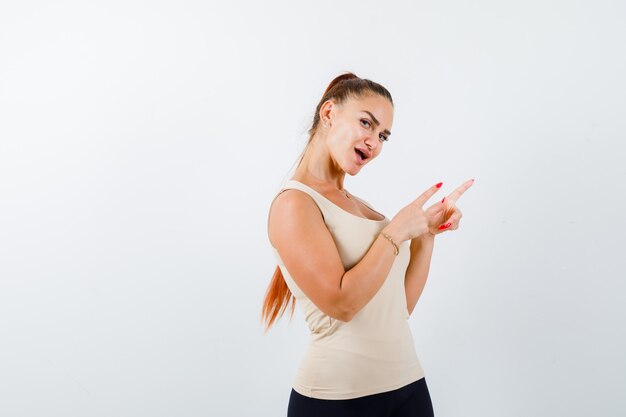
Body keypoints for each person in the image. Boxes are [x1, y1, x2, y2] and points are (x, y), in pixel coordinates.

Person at [263, 72, 474, 417]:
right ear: (328, 113)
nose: (374, 142)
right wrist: (395, 233)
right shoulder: (294, 204)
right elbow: (342, 303)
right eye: (366, 123)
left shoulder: (359, 206)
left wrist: (425, 235)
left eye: (383, 136)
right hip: (338, 400)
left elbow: (398, 308)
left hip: (408, 385)